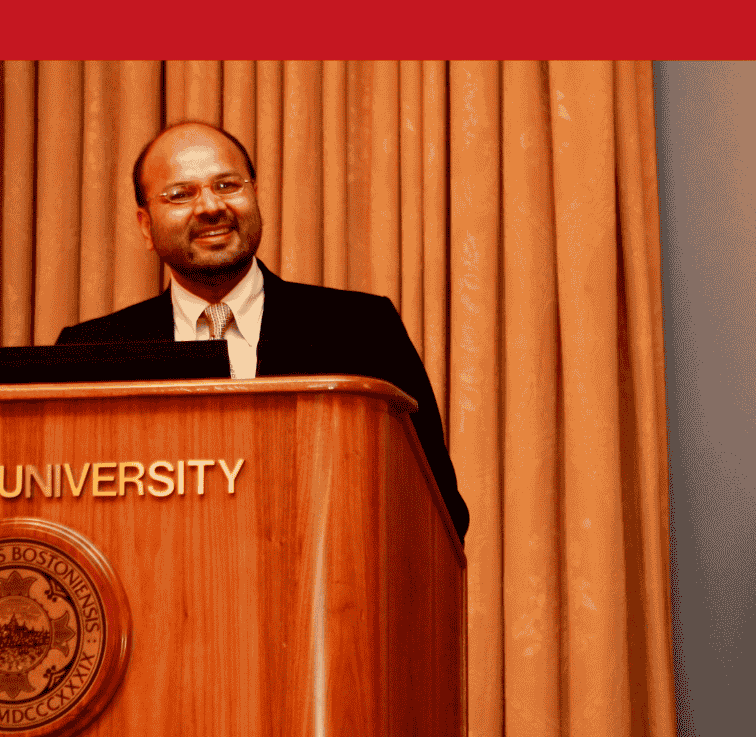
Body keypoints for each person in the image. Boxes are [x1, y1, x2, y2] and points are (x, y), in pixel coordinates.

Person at [57, 122, 469, 541]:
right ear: (145, 226)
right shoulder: (91, 350)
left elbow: (438, 505)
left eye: (227, 185)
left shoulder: (361, 328)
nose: (210, 207)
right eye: (181, 194)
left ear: (255, 196)